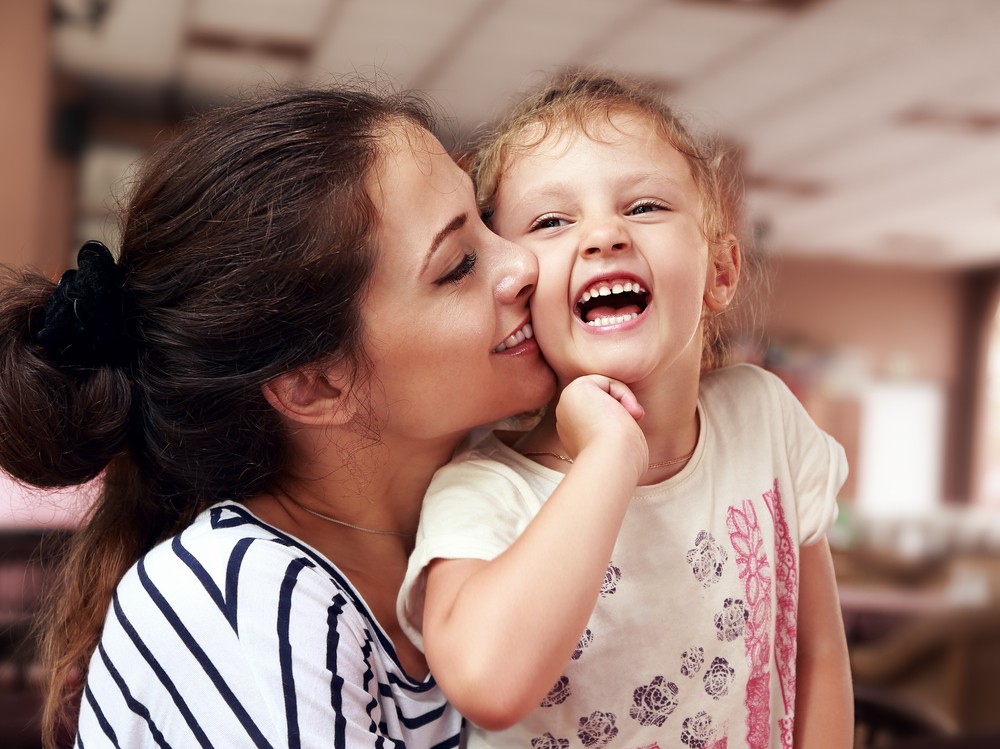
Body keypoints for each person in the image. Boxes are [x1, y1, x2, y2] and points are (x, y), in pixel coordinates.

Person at [0, 84, 555, 748]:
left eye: (487, 218)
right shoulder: (241, 603)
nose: (524, 262)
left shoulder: (497, 525)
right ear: (314, 385)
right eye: (458, 265)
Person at [398, 72, 854, 749]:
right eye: (552, 222)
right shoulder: (482, 491)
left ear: (721, 271)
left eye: (644, 206)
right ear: (519, 289)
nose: (603, 234)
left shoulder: (767, 420)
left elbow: (816, 652)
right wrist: (609, 455)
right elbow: (488, 686)